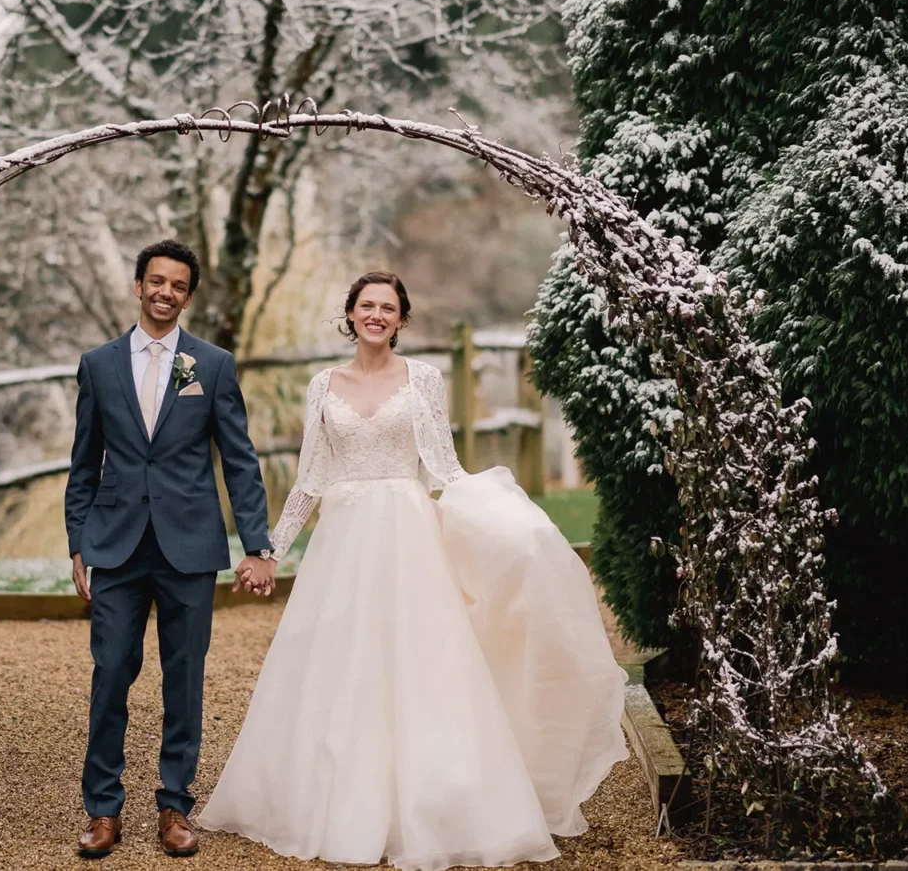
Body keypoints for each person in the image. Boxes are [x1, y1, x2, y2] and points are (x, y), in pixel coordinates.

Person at [200, 271, 630, 870]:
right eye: (366, 305)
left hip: (407, 536)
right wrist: (269, 550)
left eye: (389, 307)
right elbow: (309, 478)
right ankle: (335, 804)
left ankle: (435, 805)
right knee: (340, 663)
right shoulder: (323, 384)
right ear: (349, 313)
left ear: (402, 319)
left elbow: (444, 468)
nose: (376, 314)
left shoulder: (424, 379)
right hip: (343, 540)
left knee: (424, 664)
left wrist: (504, 523)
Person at [64, 240, 275, 859]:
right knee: (111, 676)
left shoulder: (211, 365)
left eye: (178, 285)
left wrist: (256, 544)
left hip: (190, 547)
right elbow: (83, 464)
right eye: (155, 281)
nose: (165, 292)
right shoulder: (98, 365)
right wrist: (79, 542)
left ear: (188, 294)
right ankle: (103, 810)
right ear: (138, 286)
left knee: (184, 681)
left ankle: (174, 805)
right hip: (117, 545)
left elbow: (240, 460)